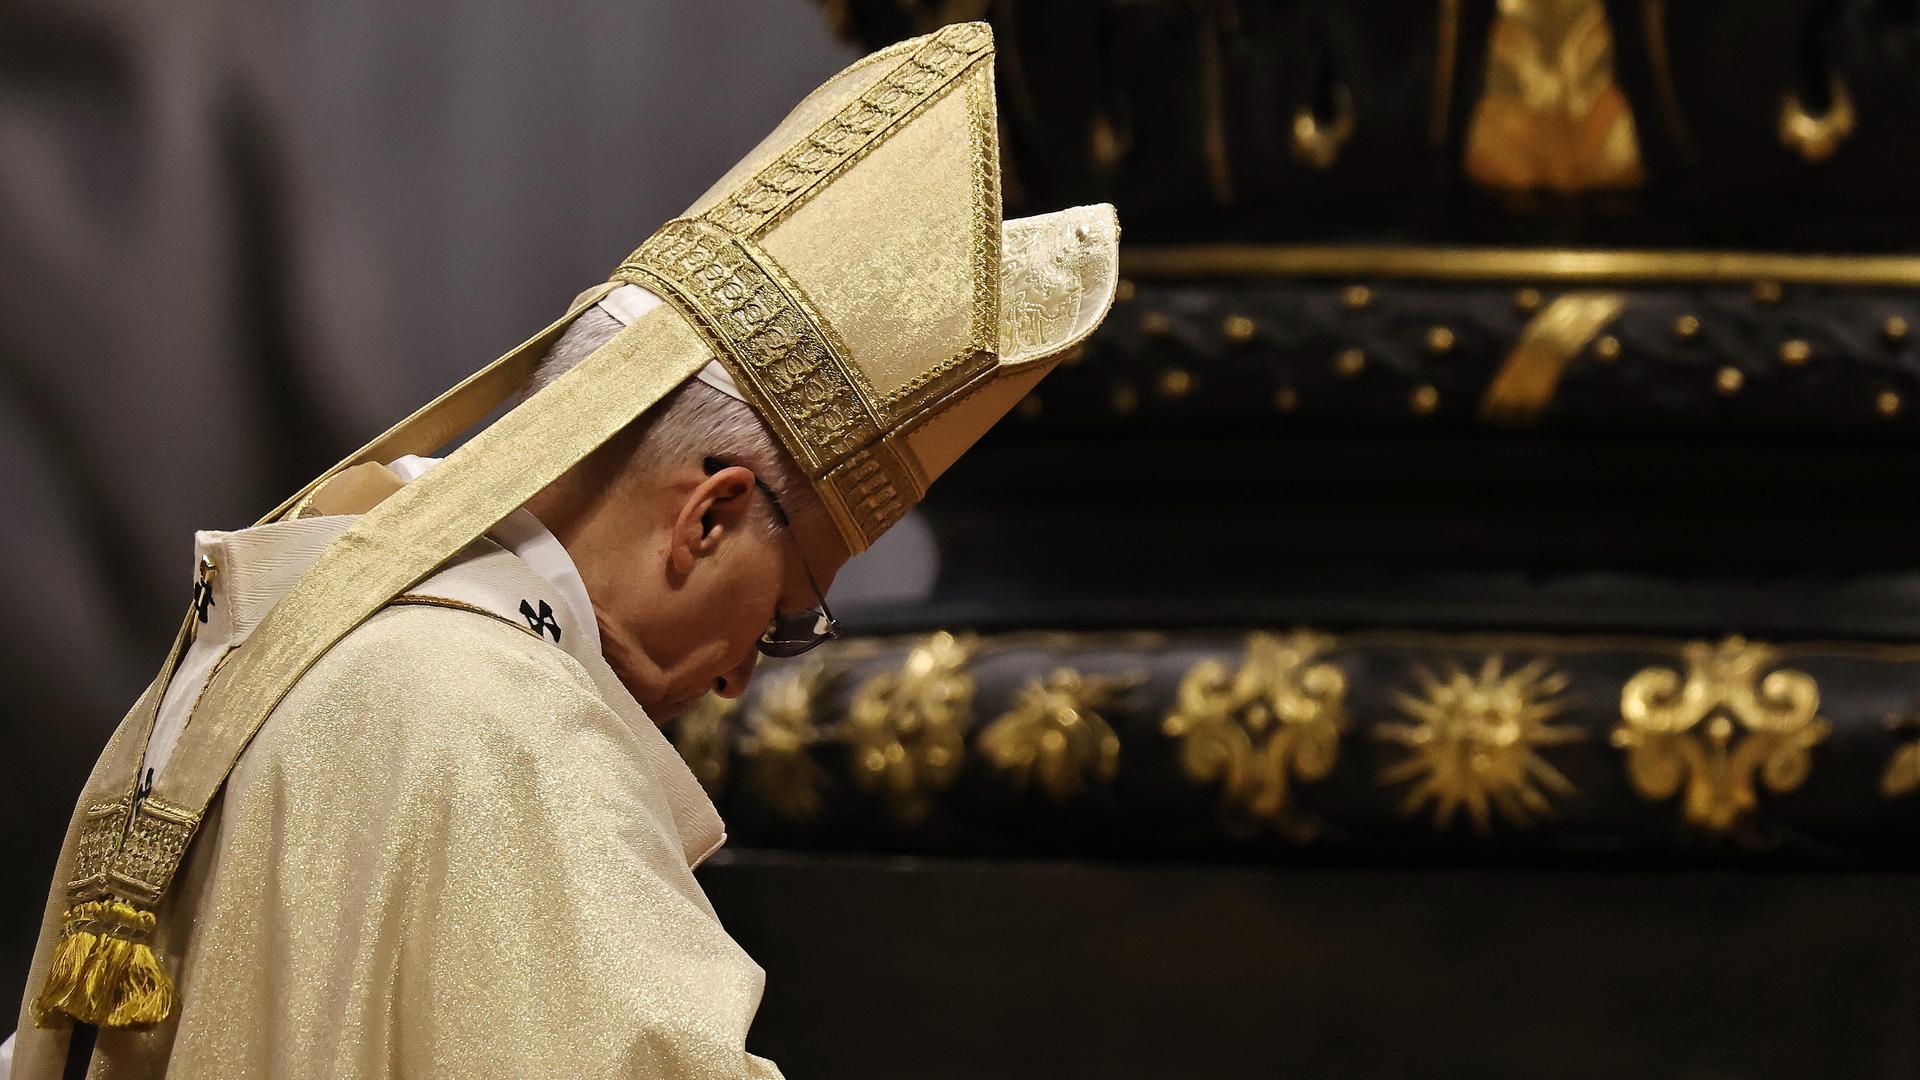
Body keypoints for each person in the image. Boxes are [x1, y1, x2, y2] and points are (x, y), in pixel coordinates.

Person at [6, 20, 1118, 1079]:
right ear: (710, 517)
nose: (741, 673)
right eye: (788, 609)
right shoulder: (517, 737)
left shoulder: (267, 641)